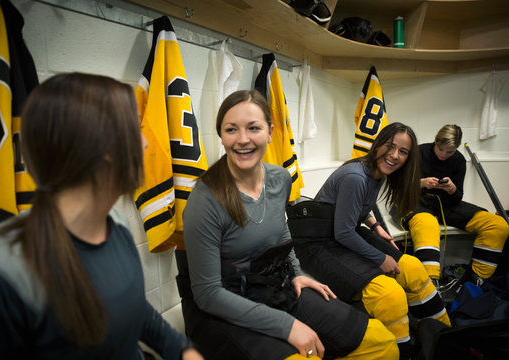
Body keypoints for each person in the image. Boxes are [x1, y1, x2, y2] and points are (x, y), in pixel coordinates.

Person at [0, 73, 203, 360]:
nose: (145, 143)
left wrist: (182, 350)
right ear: (102, 148)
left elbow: (131, 309)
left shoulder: (115, 223)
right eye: (135, 128)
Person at [179, 89, 398, 360]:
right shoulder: (205, 199)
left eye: (254, 128)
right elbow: (207, 294)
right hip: (223, 308)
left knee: (381, 343)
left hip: (275, 288)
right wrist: (288, 326)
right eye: (231, 129)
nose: (243, 139)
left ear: (270, 132)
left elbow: (281, 229)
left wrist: (295, 272)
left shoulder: (280, 178)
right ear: (221, 136)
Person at [288, 122, 451, 359]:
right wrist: (380, 258)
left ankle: (444, 336)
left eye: (403, 151)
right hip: (318, 243)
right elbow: (343, 233)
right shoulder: (356, 176)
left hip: (342, 231)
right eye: (390, 146)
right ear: (378, 145)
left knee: (413, 268)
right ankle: (401, 351)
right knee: (389, 294)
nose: (394, 155)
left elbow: (357, 211)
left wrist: (375, 226)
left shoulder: (379, 173)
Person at [402, 124, 508, 285]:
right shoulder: (418, 152)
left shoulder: (458, 160)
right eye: (441, 149)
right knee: (428, 224)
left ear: (457, 148)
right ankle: (430, 283)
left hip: (446, 205)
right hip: (416, 202)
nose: (444, 155)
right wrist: (422, 183)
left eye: (449, 151)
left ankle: (477, 281)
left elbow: (458, 197)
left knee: (497, 225)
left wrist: (452, 189)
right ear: (435, 141)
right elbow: (400, 186)